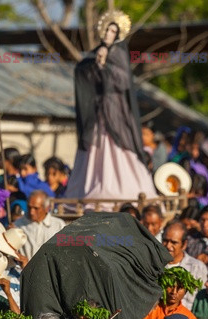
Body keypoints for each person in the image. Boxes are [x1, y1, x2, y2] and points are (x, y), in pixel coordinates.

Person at [64, 11, 157, 202]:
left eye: (113, 31)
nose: (108, 34)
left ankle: (121, 190)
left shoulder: (119, 52)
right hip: (98, 112)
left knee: (119, 149)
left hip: (116, 112)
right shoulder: (97, 51)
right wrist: (94, 65)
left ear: (118, 34)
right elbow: (83, 71)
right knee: (94, 150)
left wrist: (105, 66)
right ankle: (91, 189)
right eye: (107, 30)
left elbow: (123, 80)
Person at [163, 220, 208, 310]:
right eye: (165, 241)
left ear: (184, 244)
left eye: (174, 242)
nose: (168, 246)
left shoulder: (197, 267)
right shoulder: (153, 265)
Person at [14, 190, 65, 260]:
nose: (32, 212)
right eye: (29, 207)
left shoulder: (59, 225)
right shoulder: (18, 225)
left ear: (47, 208)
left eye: (36, 208)